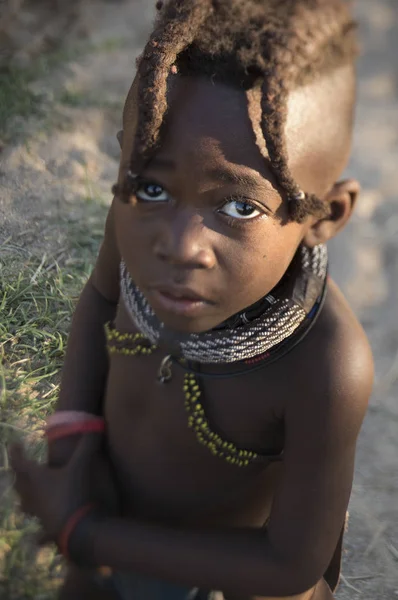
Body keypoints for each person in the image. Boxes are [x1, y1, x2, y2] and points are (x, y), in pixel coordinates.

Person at [10, 0, 374, 598]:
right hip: (107, 533)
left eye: (239, 207)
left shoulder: (327, 365)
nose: (181, 246)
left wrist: (85, 532)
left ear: (325, 216)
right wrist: (73, 443)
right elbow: (102, 298)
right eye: (152, 184)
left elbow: (289, 564)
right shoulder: (133, 222)